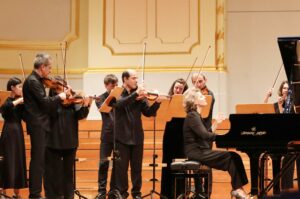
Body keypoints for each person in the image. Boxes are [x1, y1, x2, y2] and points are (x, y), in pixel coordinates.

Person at [182, 88, 250, 199]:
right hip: (196, 152)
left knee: (235, 156)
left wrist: (216, 123)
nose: (204, 97)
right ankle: (237, 189)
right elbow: (205, 135)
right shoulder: (192, 116)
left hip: (201, 150)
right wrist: (224, 138)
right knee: (230, 157)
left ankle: (238, 189)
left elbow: (206, 135)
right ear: (194, 101)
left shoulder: (196, 116)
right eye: (201, 96)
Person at [112, 69, 162, 198]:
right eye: (134, 78)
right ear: (125, 79)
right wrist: (135, 95)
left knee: (137, 169)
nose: (136, 81)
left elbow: (148, 112)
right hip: (121, 138)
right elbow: (118, 104)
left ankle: (136, 194)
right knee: (121, 170)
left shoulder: (139, 95)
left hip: (137, 137)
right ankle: (122, 194)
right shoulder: (117, 92)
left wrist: (157, 103)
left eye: (136, 78)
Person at [23, 53, 67, 198]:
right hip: (38, 125)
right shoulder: (33, 81)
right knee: (37, 161)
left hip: (41, 124)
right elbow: (45, 103)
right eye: (49, 68)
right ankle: (35, 194)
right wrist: (59, 97)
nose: (50, 72)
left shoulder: (37, 80)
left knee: (40, 161)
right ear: (42, 67)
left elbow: (45, 104)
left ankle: (37, 193)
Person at [43, 76, 90, 199]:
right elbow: (49, 113)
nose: (63, 89)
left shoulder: (72, 101)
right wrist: (60, 98)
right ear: (54, 89)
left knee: (68, 174)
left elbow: (80, 116)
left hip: (70, 142)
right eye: (59, 87)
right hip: (53, 143)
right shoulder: (50, 101)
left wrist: (85, 106)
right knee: (54, 173)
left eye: (64, 86)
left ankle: (68, 196)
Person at [264, 81, 299, 191]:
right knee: (288, 155)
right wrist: (267, 96)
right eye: (284, 88)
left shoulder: (294, 106)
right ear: (281, 90)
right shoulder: (276, 105)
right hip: (277, 139)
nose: (286, 90)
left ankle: (287, 188)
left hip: (290, 139)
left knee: (294, 154)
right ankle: (284, 188)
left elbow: (287, 121)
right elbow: (262, 112)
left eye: (288, 88)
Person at [160, 78, 188, 198]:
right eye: (176, 88)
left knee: (181, 164)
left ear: (184, 91)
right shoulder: (168, 100)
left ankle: (180, 193)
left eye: (181, 89)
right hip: (169, 136)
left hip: (182, 136)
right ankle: (166, 194)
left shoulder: (186, 103)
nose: (177, 90)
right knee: (167, 163)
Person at [0, 77, 27, 198]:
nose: (21, 89)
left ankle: (17, 193)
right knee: (6, 160)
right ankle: (3, 191)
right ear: (12, 87)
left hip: (18, 132)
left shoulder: (21, 102)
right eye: (19, 87)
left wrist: (27, 105)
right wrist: (19, 100)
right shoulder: (6, 99)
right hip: (8, 132)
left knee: (18, 160)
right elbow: (5, 109)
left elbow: (26, 117)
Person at [94, 74, 118, 199]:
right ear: (106, 85)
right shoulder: (99, 98)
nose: (115, 87)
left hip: (119, 136)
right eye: (112, 85)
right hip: (107, 135)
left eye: (116, 85)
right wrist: (111, 96)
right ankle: (101, 192)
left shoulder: (120, 97)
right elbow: (104, 109)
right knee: (103, 163)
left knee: (117, 165)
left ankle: (113, 191)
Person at [191, 72, 215, 195]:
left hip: (205, 135)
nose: (199, 84)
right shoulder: (191, 95)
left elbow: (203, 113)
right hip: (194, 136)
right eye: (196, 82)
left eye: (200, 81)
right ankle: (198, 192)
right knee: (195, 166)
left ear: (205, 80)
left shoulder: (209, 95)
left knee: (206, 165)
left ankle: (207, 193)